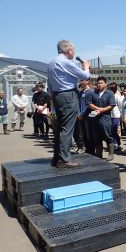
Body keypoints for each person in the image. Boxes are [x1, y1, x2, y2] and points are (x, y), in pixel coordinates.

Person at [47, 40, 90, 168]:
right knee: (67, 129)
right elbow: (85, 76)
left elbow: (49, 83)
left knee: (60, 128)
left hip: (56, 95)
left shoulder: (51, 62)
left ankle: (57, 157)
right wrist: (86, 66)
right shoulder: (66, 62)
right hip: (68, 96)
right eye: (73, 50)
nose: (74, 52)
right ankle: (64, 159)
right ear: (69, 50)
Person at [88, 76, 116, 161]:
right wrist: (97, 109)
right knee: (96, 137)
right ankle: (98, 154)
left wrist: (102, 110)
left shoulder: (109, 93)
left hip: (105, 117)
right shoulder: (93, 93)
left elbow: (111, 105)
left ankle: (111, 154)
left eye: (101, 83)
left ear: (105, 84)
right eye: (98, 83)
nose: (99, 85)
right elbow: (89, 103)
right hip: (95, 118)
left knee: (107, 135)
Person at [77, 79, 95, 155]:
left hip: (88, 116)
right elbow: (77, 104)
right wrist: (78, 113)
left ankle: (91, 150)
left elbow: (89, 105)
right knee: (83, 134)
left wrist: (82, 114)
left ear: (87, 81)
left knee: (89, 134)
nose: (80, 82)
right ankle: (87, 149)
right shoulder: (80, 92)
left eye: (82, 80)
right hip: (80, 116)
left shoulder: (91, 91)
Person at [108, 82, 123, 152]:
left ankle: (118, 144)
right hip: (110, 115)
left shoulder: (117, 96)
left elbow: (120, 106)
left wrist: (120, 115)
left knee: (114, 130)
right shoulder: (109, 96)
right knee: (111, 131)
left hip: (116, 115)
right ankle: (115, 143)